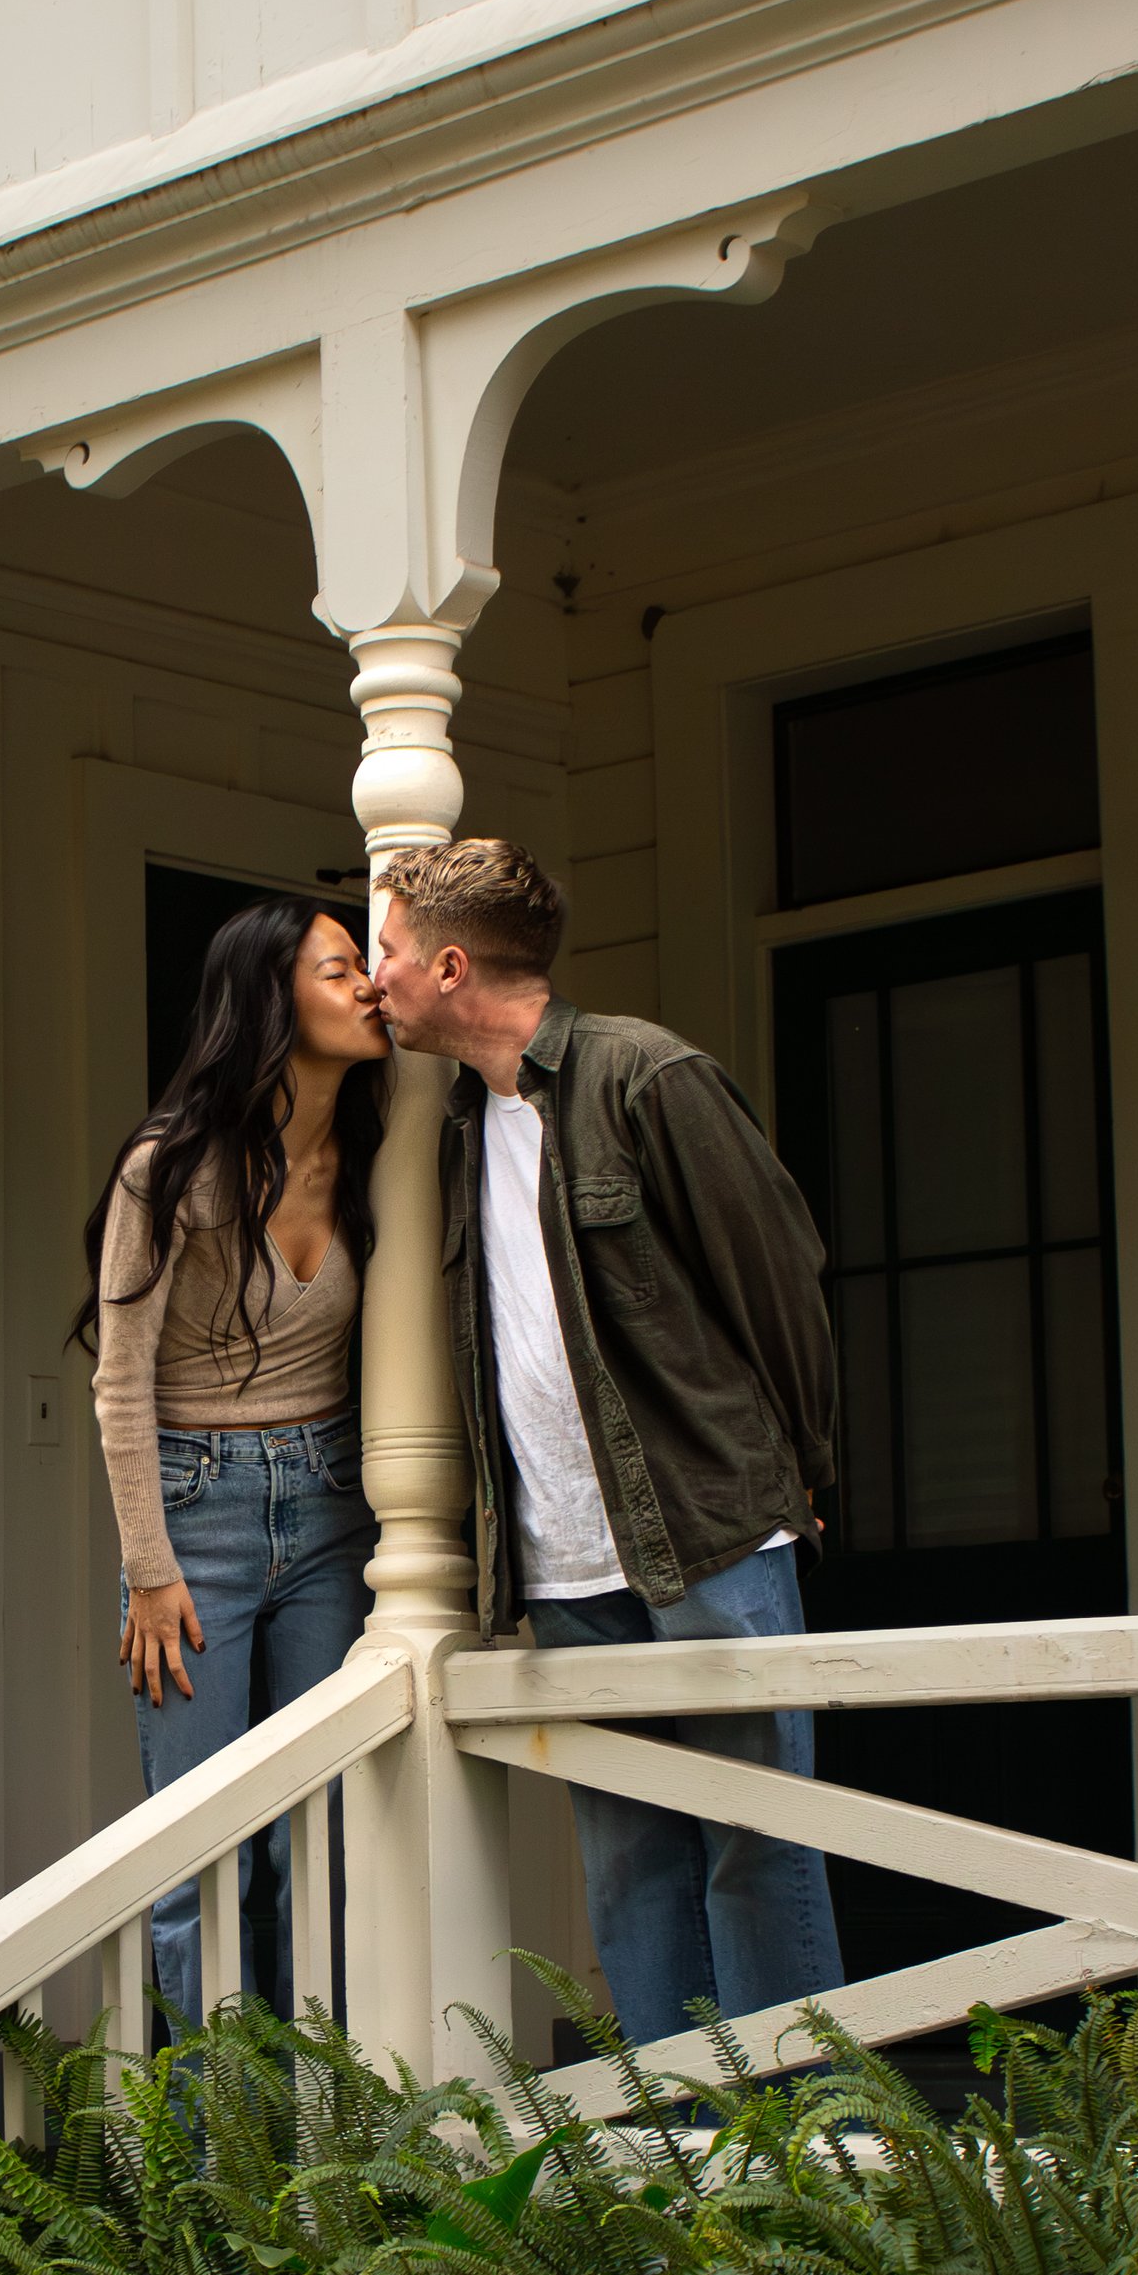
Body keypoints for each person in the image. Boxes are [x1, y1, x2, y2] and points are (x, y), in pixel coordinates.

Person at [368, 836, 844, 2051]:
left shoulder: (646, 1076)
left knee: (754, 1838)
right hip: (565, 1558)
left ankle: (797, 2152)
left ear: (452, 964)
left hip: (708, 1528)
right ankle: (678, 2141)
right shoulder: (465, 1123)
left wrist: (800, 1475)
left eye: (388, 953)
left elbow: (780, 1279)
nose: (376, 978)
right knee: (628, 1862)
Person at [77, 896, 387, 2027]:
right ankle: (219, 2169)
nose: (368, 986)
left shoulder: (377, 1160)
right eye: (340, 967)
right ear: (270, 996)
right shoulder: (170, 1169)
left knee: (325, 1839)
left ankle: (326, 2139)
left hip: (334, 1511)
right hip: (194, 1520)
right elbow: (121, 1377)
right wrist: (150, 1568)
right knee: (202, 1854)